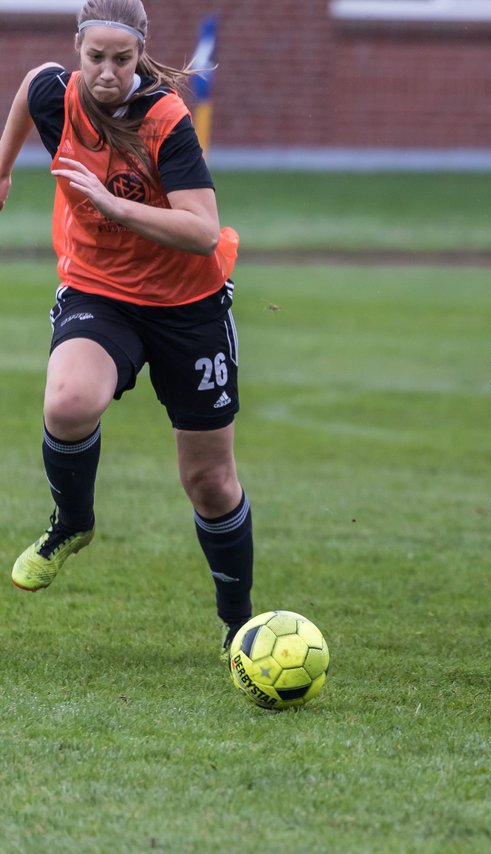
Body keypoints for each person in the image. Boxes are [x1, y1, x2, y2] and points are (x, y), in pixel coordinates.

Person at [0, 0, 253, 658]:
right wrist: (2, 167)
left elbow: (201, 232)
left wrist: (113, 203)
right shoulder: (59, 92)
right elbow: (30, 89)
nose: (107, 72)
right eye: (95, 58)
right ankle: (73, 523)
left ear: (140, 54)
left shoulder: (166, 120)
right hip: (99, 290)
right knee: (68, 401)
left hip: (188, 306)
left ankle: (240, 626)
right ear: (78, 50)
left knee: (209, 481)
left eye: (121, 59)